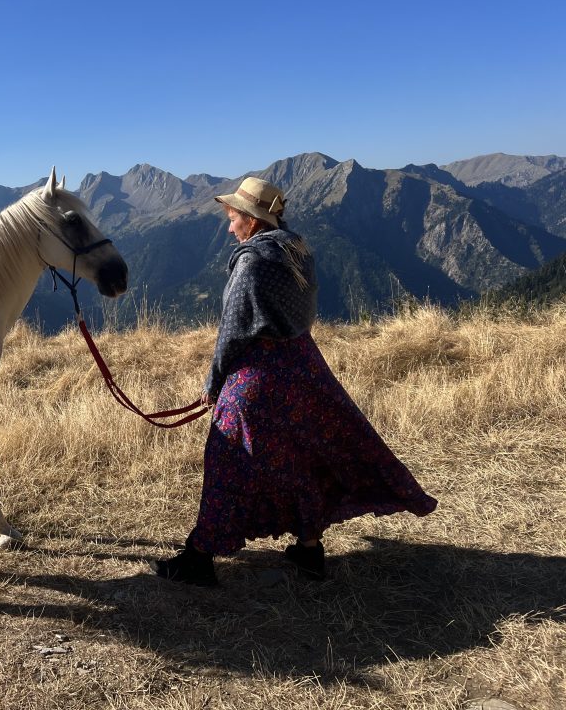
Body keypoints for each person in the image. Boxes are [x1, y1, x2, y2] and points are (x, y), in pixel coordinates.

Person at [151, 176, 437, 586]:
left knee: (226, 462)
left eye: (233, 219)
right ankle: (308, 550)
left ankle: (198, 559)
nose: (229, 227)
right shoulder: (297, 249)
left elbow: (232, 331)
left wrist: (214, 383)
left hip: (259, 376)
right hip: (303, 367)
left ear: (251, 221)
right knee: (305, 459)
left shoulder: (251, 263)